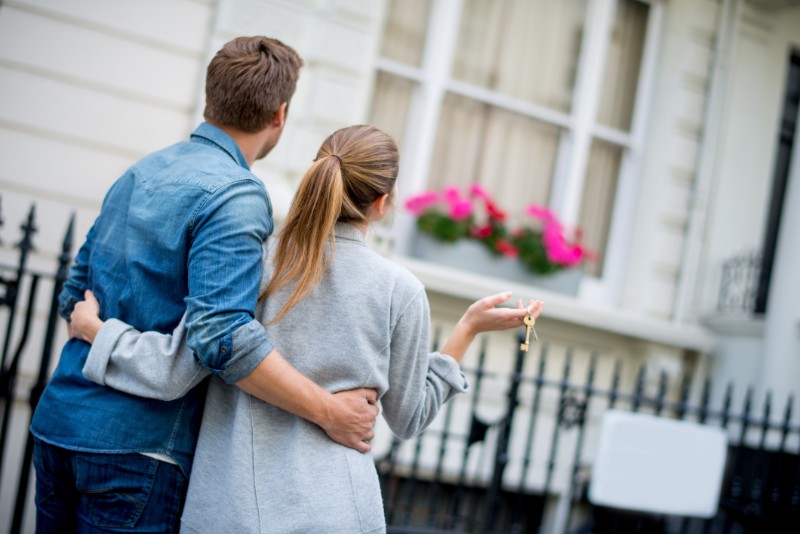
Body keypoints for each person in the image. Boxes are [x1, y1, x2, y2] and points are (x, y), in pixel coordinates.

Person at [69, 124, 545, 533]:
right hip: (335, 513)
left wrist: (98, 331)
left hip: (228, 509)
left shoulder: (251, 261)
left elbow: (176, 365)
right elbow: (409, 418)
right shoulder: (399, 290)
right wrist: (465, 330)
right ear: (384, 202)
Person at [29, 37, 378, 534]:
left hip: (59, 425)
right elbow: (222, 340)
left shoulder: (140, 171)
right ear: (280, 114)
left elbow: (75, 298)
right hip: (136, 451)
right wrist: (328, 410)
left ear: (210, 97)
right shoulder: (236, 194)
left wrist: (94, 330)